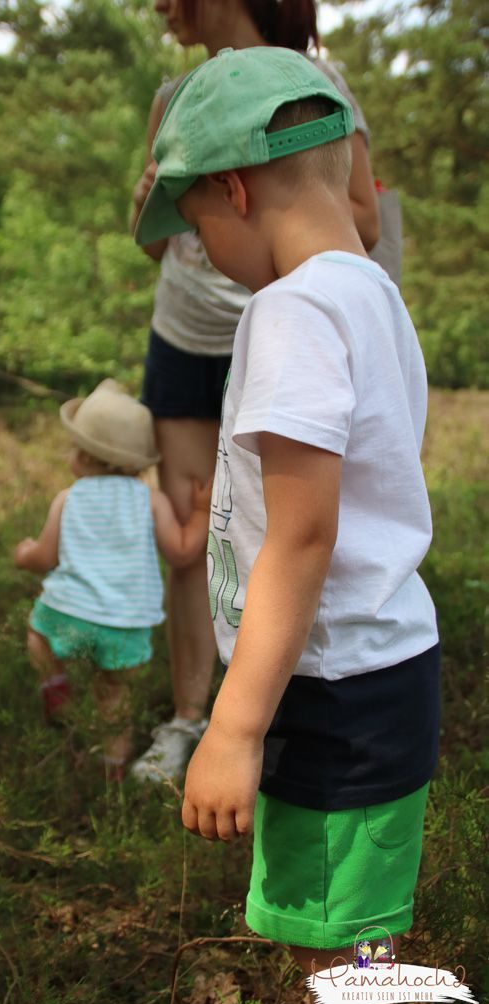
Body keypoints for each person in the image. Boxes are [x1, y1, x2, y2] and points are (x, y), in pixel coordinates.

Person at [134, 47, 440, 1004]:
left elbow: (301, 539)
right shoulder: (371, 294)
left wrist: (230, 726)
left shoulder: (289, 310)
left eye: (193, 231)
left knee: (352, 976)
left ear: (231, 187)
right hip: (376, 668)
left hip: (330, 688)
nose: (202, 255)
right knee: (358, 942)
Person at [129, 0, 380, 783]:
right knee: (200, 527)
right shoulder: (174, 97)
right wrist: (153, 200)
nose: (161, 7)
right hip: (187, 337)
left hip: (280, 342)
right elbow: (154, 242)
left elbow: (361, 219)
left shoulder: (317, 87)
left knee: (287, 526)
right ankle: (192, 718)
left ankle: (266, 711)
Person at [14, 379, 211, 781]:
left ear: (85, 456)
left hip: (69, 616)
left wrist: (24, 553)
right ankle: (113, 769)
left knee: (37, 634)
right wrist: (204, 513)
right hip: (126, 627)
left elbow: (45, 557)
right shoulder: (151, 500)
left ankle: (55, 685)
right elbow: (182, 552)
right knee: (114, 696)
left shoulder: (69, 499)